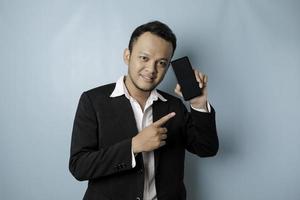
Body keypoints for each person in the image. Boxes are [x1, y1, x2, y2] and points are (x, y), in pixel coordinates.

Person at [69, 20, 219, 200]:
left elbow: (206, 149)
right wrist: (133, 146)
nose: (151, 69)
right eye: (144, 58)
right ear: (127, 55)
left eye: (162, 63)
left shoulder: (174, 106)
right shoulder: (93, 101)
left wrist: (198, 104)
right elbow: (79, 166)